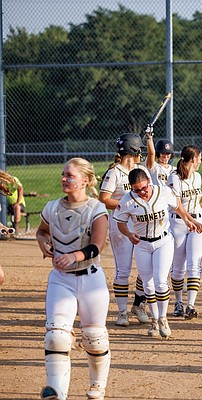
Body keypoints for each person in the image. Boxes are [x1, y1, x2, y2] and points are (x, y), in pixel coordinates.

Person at [36, 158, 111, 400]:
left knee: (94, 339)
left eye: (70, 175)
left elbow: (97, 245)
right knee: (56, 335)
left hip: (90, 279)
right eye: (63, 174)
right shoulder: (52, 207)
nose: (64, 178)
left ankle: (98, 386)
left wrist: (73, 256)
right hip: (61, 279)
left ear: (85, 180)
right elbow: (42, 230)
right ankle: (57, 391)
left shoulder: (96, 208)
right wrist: (43, 242)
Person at [113, 169, 201, 339]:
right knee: (148, 284)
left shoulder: (162, 191)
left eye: (144, 188)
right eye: (136, 190)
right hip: (142, 244)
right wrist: (129, 234)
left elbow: (177, 206)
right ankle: (154, 320)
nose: (141, 192)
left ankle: (163, 319)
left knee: (160, 282)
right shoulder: (127, 200)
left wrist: (187, 220)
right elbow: (120, 222)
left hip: (163, 241)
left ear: (148, 180)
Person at [99, 133, 150, 327]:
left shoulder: (141, 170)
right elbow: (104, 198)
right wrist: (126, 205)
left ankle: (138, 304)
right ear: (133, 149)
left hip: (142, 223)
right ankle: (122, 313)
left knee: (147, 267)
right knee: (123, 270)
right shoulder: (115, 172)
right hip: (121, 224)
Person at [168, 145, 202, 320]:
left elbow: (196, 201)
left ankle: (190, 305)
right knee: (178, 267)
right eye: (199, 158)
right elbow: (177, 205)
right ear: (193, 159)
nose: (201, 161)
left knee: (194, 263)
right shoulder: (175, 177)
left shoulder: (198, 177)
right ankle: (178, 302)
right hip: (178, 223)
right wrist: (191, 221)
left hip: (196, 221)